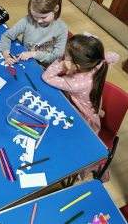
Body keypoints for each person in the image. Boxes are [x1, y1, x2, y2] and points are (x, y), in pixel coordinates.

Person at [42, 34, 119, 182]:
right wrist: (86, 42)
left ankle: (88, 168)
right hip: (92, 110)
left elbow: (47, 77)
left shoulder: (76, 82)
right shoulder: (99, 62)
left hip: (84, 121)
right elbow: (114, 56)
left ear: (77, 66)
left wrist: (61, 62)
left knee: (71, 147)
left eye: (67, 57)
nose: (64, 58)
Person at [0, 0, 68, 68]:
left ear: (56, 9)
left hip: (43, 69)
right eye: (34, 16)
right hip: (25, 62)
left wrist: (33, 54)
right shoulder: (27, 20)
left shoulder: (62, 29)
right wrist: (7, 55)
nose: (39, 21)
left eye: (43, 17)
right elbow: (6, 36)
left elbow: (55, 57)